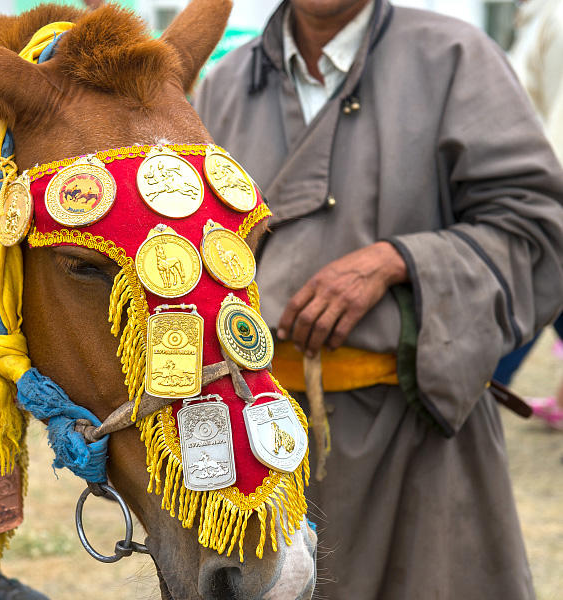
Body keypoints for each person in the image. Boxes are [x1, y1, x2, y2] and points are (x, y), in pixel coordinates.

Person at [194, 0, 563, 598]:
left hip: (415, 439)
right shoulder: (225, 85)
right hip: (257, 448)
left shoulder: (456, 59)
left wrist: (396, 260)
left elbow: (538, 231)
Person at [492, 0, 563, 430]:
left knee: (523, 303)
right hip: (543, 195)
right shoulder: (540, 13)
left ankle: (473, 400)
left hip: (549, 198)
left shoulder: (556, 17)